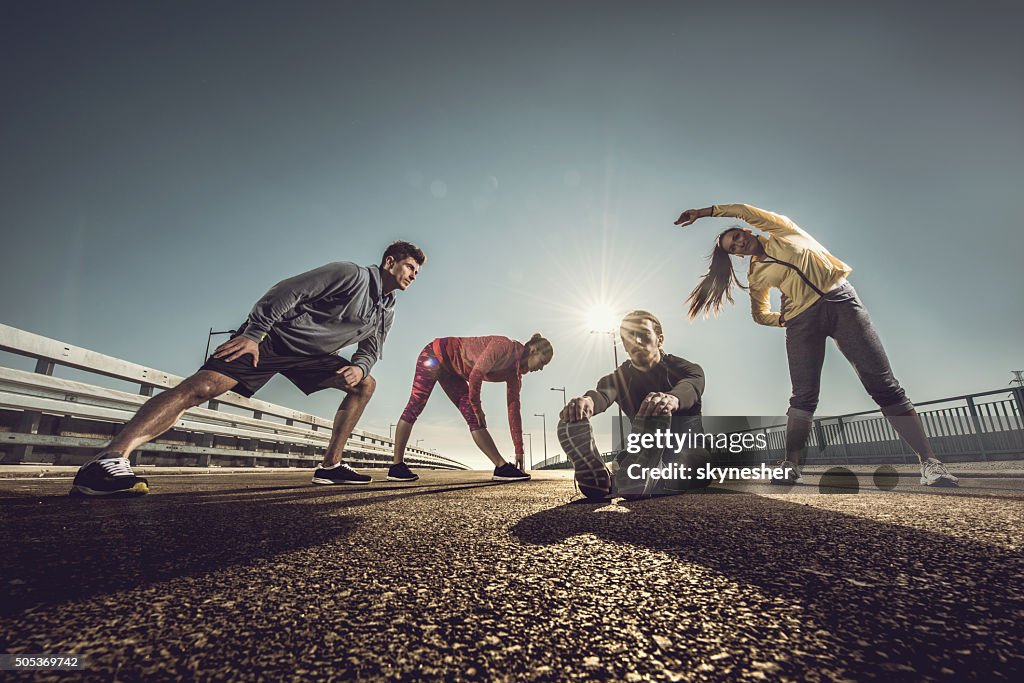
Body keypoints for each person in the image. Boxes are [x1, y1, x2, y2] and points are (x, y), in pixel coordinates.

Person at [70, 241, 426, 496]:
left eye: (417, 271)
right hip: (272, 339)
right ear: (390, 261)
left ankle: (330, 467)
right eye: (410, 266)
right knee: (203, 388)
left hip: (310, 357)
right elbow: (286, 292)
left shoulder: (387, 311)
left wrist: (360, 368)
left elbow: (372, 349)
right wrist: (255, 333)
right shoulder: (350, 274)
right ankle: (108, 460)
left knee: (366, 385)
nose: (413, 274)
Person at [675, 203, 958, 486]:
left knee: (883, 384)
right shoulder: (756, 275)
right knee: (803, 396)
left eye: (737, 236)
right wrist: (784, 319)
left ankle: (930, 463)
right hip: (802, 324)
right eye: (733, 247)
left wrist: (703, 213)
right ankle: (790, 465)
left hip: (842, 304)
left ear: (747, 229)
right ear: (736, 255)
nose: (738, 243)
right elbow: (759, 315)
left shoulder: (782, 232)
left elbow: (742, 209)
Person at [558, 310, 708, 499]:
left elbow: (691, 387)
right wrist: (586, 403)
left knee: (685, 461)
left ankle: (640, 481)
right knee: (625, 459)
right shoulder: (618, 378)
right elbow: (603, 395)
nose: (636, 341)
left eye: (644, 335)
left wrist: (672, 399)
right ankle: (604, 482)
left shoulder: (686, 369)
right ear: (625, 347)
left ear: (659, 339)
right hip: (644, 451)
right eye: (629, 337)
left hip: (686, 448)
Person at [389, 334, 553, 483]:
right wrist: (478, 407)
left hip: (452, 373)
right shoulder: (503, 346)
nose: (541, 368)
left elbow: (513, 408)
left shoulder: (514, 374)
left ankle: (501, 468)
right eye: (543, 361)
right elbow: (476, 374)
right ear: (533, 349)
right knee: (416, 404)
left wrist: (519, 450)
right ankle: (396, 466)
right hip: (435, 355)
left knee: (474, 419)